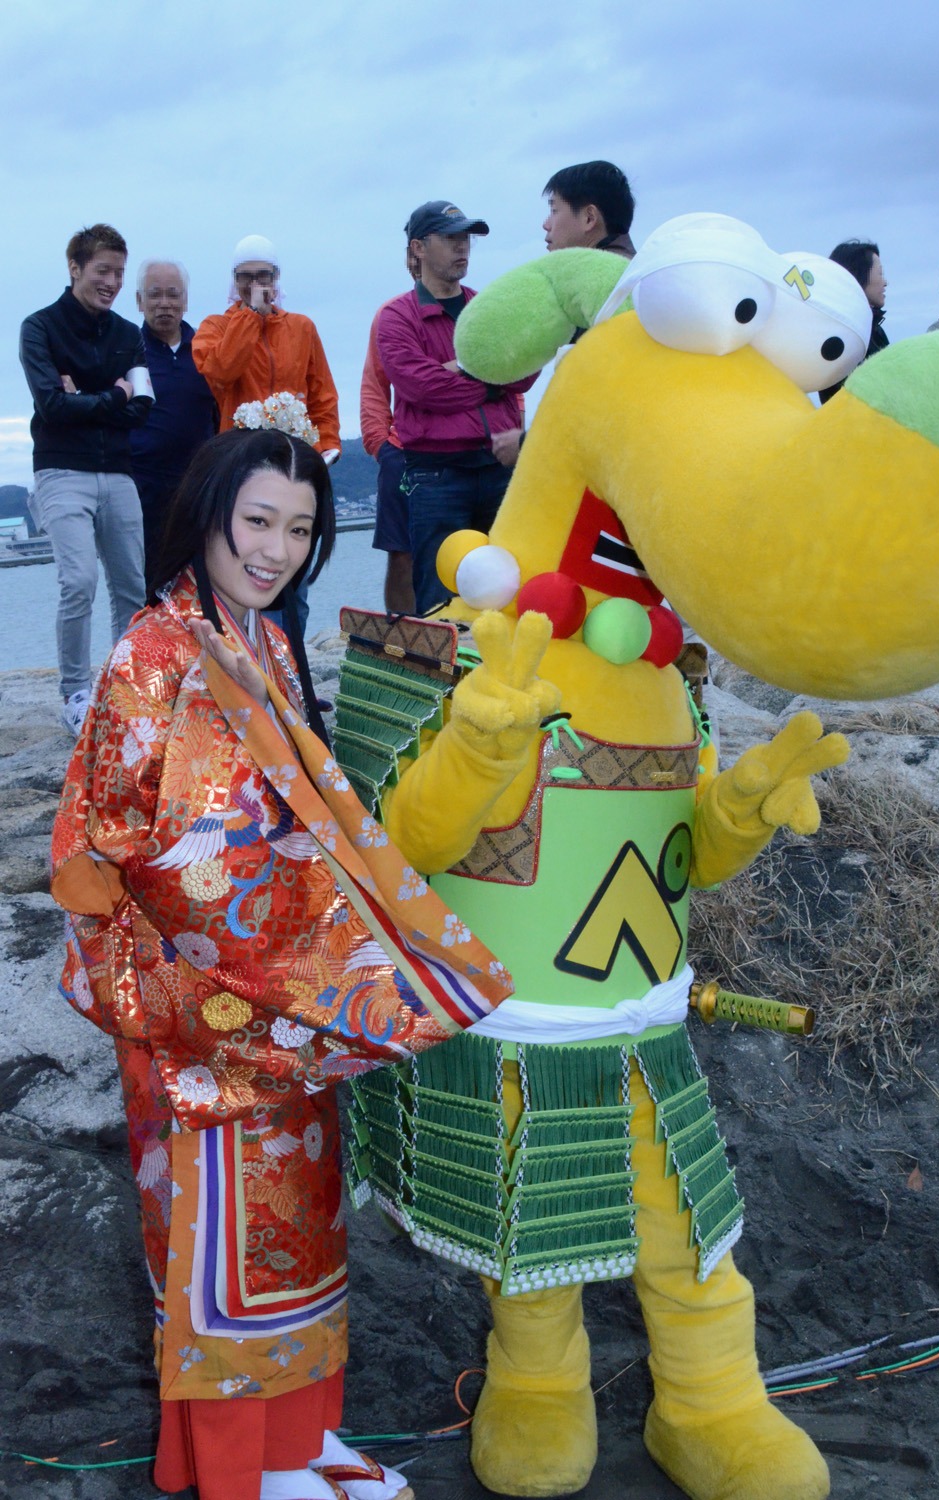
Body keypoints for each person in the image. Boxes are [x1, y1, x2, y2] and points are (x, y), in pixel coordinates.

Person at [49, 427, 510, 1500]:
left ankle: (303, 1439)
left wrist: (308, 922)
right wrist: (284, 924)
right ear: (208, 514)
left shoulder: (260, 637)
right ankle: (237, 1466)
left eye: (301, 529)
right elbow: (104, 847)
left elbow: (300, 809)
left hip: (283, 977)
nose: (277, 549)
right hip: (197, 994)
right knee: (221, 1225)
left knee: (302, 1213)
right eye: (257, 521)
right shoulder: (152, 653)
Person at [19, 222, 152, 736]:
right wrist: (113, 396)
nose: (112, 282)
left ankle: (124, 687)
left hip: (118, 471)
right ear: (74, 268)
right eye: (103, 271)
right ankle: (76, 693)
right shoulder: (39, 327)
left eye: (119, 273)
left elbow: (143, 409)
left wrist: (86, 400)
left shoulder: (127, 333)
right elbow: (52, 406)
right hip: (60, 471)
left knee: (132, 587)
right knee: (78, 581)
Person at [376, 202, 538, 614]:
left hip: (499, 467)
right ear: (418, 248)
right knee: (440, 595)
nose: (462, 247)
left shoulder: (487, 307)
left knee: (515, 583)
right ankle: (446, 678)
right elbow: (421, 387)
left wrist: (461, 370)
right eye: (450, 238)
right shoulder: (396, 317)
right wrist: (491, 381)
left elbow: (525, 368)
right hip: (436, 474)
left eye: (465, 238)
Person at [194, 234, 341, 633]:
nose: (255, 286)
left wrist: (326, 447)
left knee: (291, 575)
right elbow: (221, 372)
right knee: (241, 566)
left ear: (277, 278)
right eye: (245, 278)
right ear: (233, 281)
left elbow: (322, 394)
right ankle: (242, 659)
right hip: (240, 469)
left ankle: (290, 666)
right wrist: (248, 317)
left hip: (295, 466)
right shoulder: (214, 327)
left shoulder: (302, 327)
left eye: (264, 276)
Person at [131, 258, 218, 585]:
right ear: (139, 301)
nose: (164, 304)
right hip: (145, 492)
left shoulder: (208, 350)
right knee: (151, 585)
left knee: (206, 583)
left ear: (185, 300)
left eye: (173, 295)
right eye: (154, 295)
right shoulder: (127, 350)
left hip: (201, 489)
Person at [360, 247, 420, 614]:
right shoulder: (390, 314)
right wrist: (381, 445)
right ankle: (404, 647)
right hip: (402, 449)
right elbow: (373, 385)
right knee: (402, 554)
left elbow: (503, 375)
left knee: (469, 551)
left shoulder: (473, 310)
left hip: (465, 451)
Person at [818, 239, 889, 403]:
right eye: (880, 273)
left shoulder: (873, 329)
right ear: (858, 275)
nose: (885, 282)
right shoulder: (843, 333)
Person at [542, 160, 636, 258]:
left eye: (554, 210)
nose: (545, 225)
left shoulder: (590, 271)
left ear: (589, 218)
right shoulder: (636, 266)